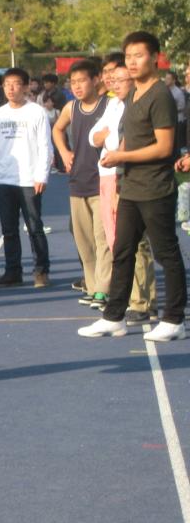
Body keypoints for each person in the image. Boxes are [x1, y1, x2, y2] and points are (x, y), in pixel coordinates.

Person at [79, 31, 186, 342]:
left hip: (155, 188)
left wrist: (122, 156)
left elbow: (164, 147)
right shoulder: (132, 95)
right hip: (131, 187)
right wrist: (119, 168)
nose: (133, 62)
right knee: (122, 251)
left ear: (155, 58)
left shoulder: (160, 95)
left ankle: (174, 320)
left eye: (139, 55)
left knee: (166, 253)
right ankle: (114, 317)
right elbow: (129, 138)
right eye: (128, 57)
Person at [89, 58, 157, 324]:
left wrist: (112, 145)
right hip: (108, 176)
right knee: (118, 240)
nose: (114, 83)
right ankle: (133, 297)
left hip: (128, 177)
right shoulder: (113, 104)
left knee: (136, 241)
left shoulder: (138, 105)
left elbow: (123, 144)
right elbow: (94, 137)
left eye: (119, 79)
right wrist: (107, 139)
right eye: (111, 78)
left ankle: (142, 301)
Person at [0, 67, 53, 288]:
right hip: (4, 181)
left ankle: (41, 271)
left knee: (34, 227)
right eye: (7, 84)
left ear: (25, 87)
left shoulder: (36, 112)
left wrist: (42, 175)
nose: (11, 88)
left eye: (15, 84)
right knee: (9, 230)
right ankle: (12, 272)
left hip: (29, 181)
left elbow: (45, 146)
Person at [51, 59, 110, 310]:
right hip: (77, 182)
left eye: (81, 81)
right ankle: (93, 287)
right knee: (84, 242)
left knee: (102, 240)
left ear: (96, 80)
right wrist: (64, 152)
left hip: (102, 181)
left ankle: (104, 291)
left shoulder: (109, 105)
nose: (76, 86)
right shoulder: (71, 108)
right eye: (72, 82)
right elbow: (57, 130)